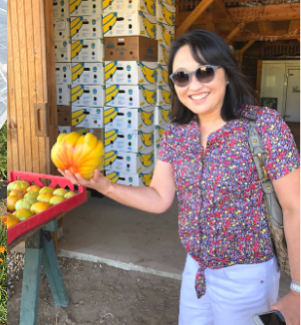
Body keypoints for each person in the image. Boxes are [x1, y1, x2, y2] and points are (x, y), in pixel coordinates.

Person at [59, 29, 299, 325]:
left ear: (226, 72)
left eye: (205, 72)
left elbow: (295, 207)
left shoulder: (263, 125)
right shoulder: (176, 133)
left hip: (247, 276)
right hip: (195, 271)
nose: (194, 85)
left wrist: (299, 292)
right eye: (182, 77)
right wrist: (103, 185)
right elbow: (159, 198)